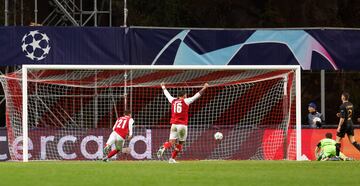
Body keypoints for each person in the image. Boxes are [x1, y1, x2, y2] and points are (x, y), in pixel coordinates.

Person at [157, 82, 209, 163]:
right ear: (184, 95)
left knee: (171, 142)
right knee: (181, 143)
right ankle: (172, 158)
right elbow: (197, 95)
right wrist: (204, 87)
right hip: (182, 126)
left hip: (173, 125)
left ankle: (164, 146)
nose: (186, 96)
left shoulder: (173, 101)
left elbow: (167, 95)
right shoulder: (186, 101)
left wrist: (163, 87)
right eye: (185, 95)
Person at [335, 92, 360, 157]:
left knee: (338, 140)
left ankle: (337, 157)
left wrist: (339, 126)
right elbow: (350, 114)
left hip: (344, 124)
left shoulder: (342, 106)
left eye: (341, 96)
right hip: (350, 123)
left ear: (343, 97)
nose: (341, 97)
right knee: (353, 141)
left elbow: (342, 118)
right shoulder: (351, 104)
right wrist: (340, 115)